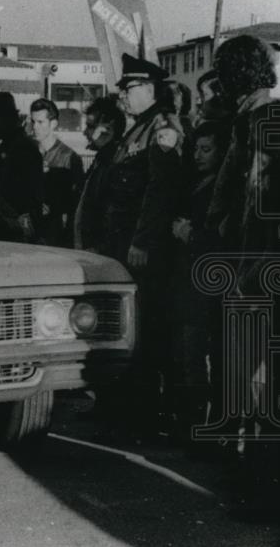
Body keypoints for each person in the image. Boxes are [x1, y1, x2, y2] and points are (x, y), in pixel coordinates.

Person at [205, 35, 280, 547]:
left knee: (277, 391)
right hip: (255, 275)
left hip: (274, 280)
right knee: (261, 388)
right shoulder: (252, 121)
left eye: (223, 77)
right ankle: (264, 489)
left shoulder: (275, 123)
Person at [101, 53, 184, 433]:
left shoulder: (162, 127)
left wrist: (143, 238)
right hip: (123, 240)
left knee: (149, 327)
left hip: (142, 245)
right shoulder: (137, 129)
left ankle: (150, 412)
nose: (124, 95)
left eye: (130, 88)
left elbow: (160, 189)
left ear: (150, 89)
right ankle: (131, 407)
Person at [170, 119, 230, 451]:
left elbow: (220, 239)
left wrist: (189, 234)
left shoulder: (221, 189)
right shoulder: (197, 184)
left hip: (207, 287)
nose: (198, 155)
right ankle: (195, 425)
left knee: (202, 360)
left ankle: (205, 430)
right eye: (196, 148)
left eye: (206, 149)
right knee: (191, 356)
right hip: (190, 285)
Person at [0, 91, 43, 242]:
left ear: (5, 119)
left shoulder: (23, 148)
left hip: (13, 231)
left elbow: (26, 200)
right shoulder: (0, 145)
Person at [74, 95, 126, 253]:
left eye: (90, 126)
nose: (84, 132)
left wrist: (100, 247)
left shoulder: (115, 164)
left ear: (108, 129)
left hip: (98, 252)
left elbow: (114, 215)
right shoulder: (101, 160)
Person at [30, 98, 85, 247]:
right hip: (28, 232)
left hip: (55, 235)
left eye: (40, 122)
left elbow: (77, 201)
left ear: (53, 124)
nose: (35, 127)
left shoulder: (69, 157)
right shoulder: (26, 153)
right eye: (33, 122)